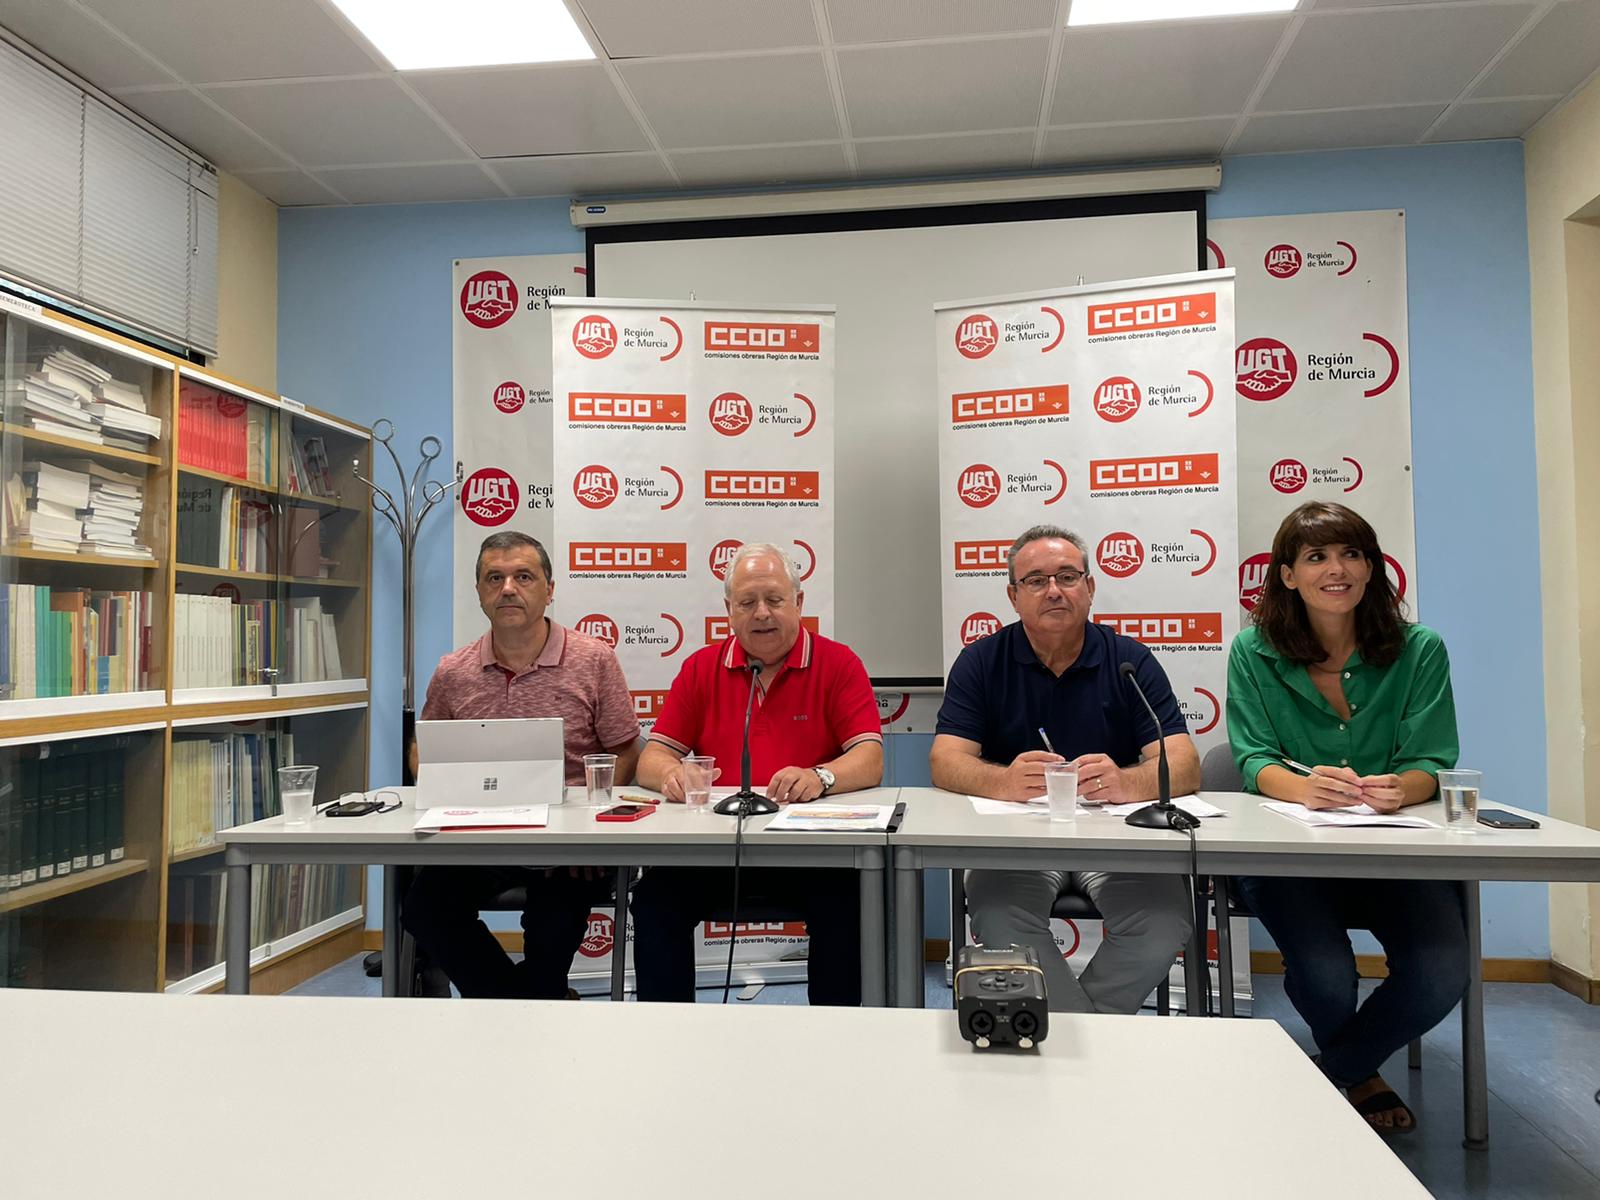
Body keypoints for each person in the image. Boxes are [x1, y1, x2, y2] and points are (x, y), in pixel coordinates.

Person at [1227, 501, 1466, 1135]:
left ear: (1372, 567)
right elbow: (1253, 758)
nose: (1338, 569)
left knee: (1444, 969)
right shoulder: (1254, 650)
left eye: (1352, 553)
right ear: (1287, 575)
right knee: (1327, 978)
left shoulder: (1420, 649)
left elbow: (1433, 760)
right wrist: (1304, 788)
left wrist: (1403, 788)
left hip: (1394, 852)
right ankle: (1358, 1074)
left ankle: (1330, 1072)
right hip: (1291, 856)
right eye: (1317, 557)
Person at [930, 523, 1196, 1014]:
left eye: (1068, 576)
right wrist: (1002, 780)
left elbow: (1182, 762)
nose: (1053, 590)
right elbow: (945, 760)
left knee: (1162, 920)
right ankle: (1092, 1039)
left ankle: (1073, 1036)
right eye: (1035, 580)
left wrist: (1127, 781)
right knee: (995, 914)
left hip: (1116, 839)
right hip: (1019, 839)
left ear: (1090, 588)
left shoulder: (1129, 661)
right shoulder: (981, 661)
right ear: (1013, 596)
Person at [630, 543, 883, 1005]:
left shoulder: (839, 662)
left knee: (849, 901)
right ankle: (665, 1037)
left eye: (775, 600)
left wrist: (821, 776)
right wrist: (673, 774)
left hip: (811, 852)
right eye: (747, 603)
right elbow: (651, 759)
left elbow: (869, 756)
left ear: (799, 603)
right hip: (715, 851)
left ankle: (837, 1033)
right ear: (729, 610)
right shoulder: (702, 667)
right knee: (654, 901)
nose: (761, 614)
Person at [400, 530, 641, 999]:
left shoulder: (593, 660)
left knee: (554, 921)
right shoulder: (453, 671)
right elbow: (422, 749)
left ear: (549, 590)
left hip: (566, 846)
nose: (508, 588)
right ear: (480, 593)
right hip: (477, 840)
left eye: (523, 576)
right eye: (495, 578)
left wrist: (593, 832)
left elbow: (627, 750)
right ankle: (521, 1001)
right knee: (424, 907)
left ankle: (532, 999)